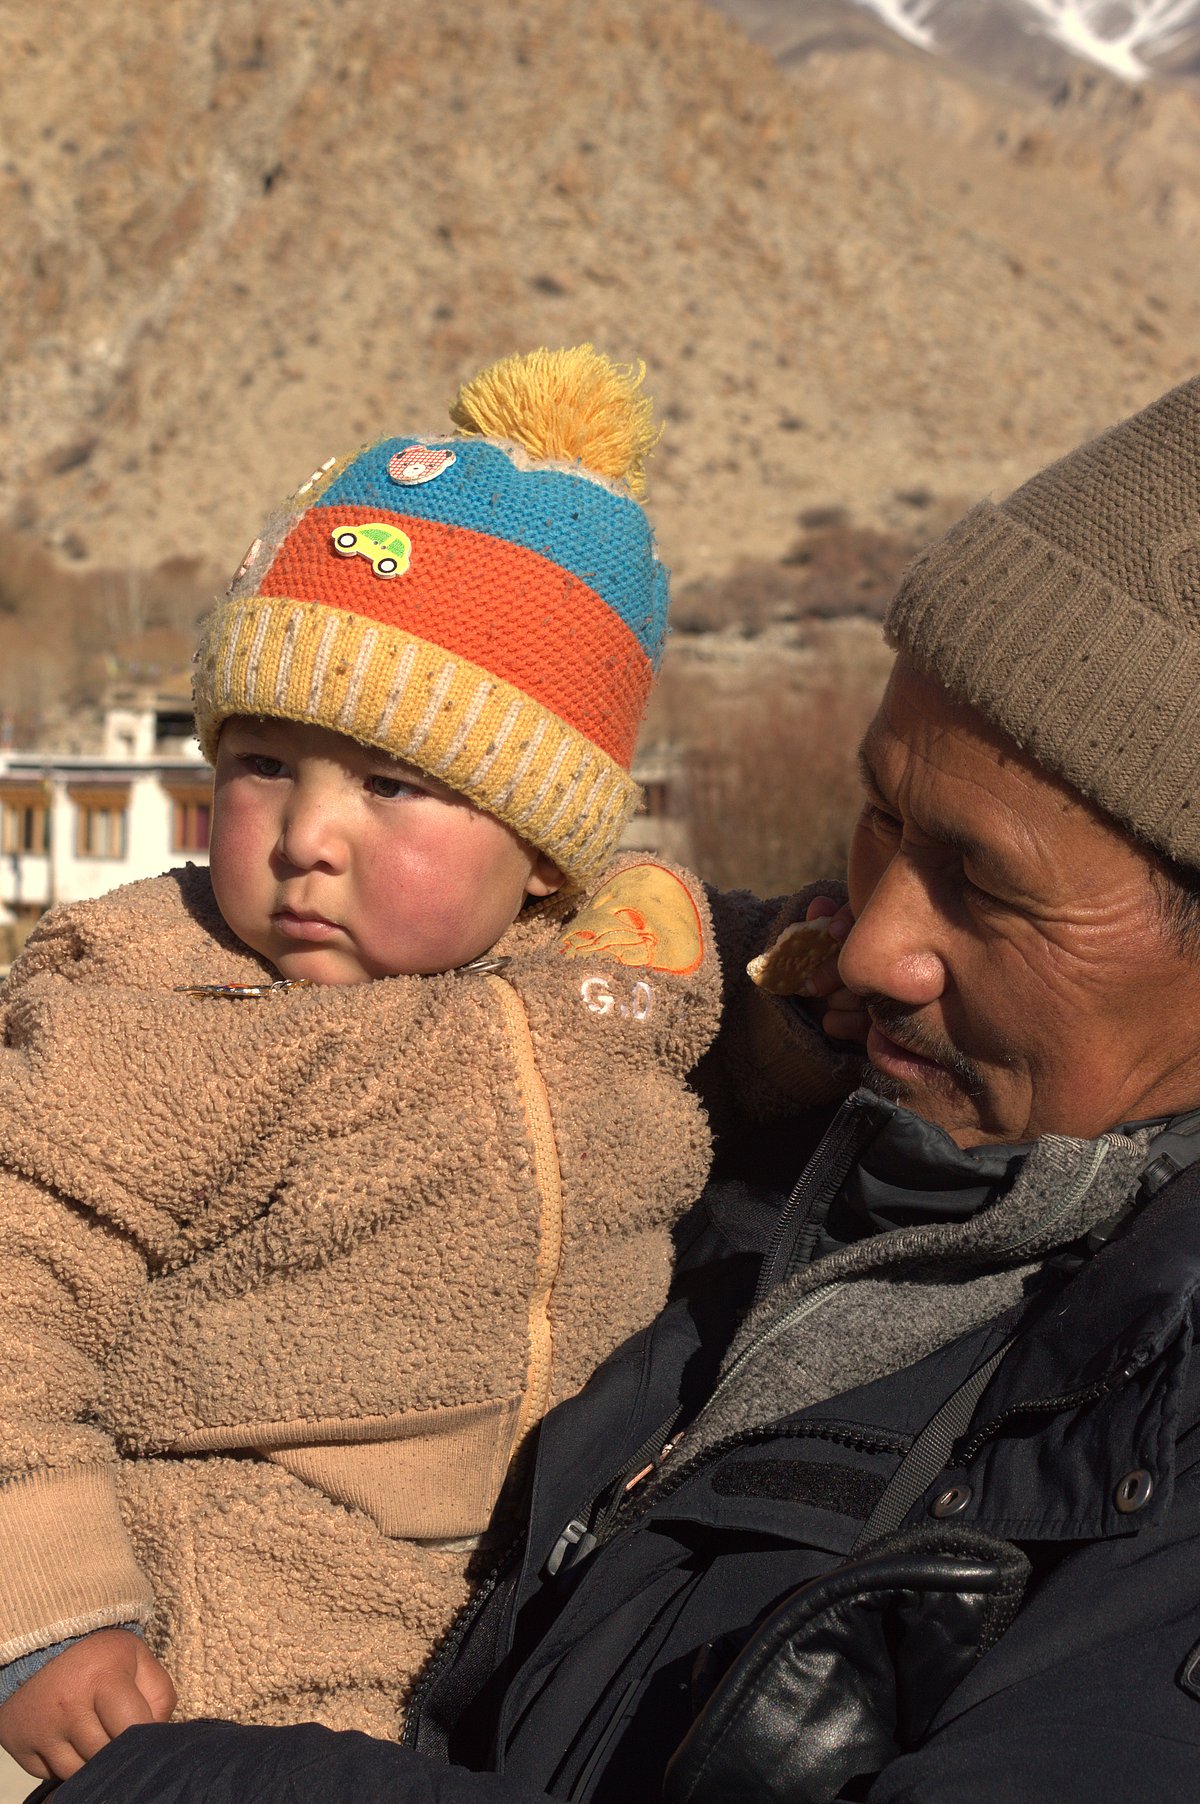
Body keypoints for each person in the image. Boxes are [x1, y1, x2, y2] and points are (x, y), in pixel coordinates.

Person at [45, 370, 1200, 1803]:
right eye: (879, 822)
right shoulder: (725, 1063)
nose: (882, 941)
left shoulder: (1162, 1421)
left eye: (984, 887)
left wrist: (178, 1785)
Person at [0, 346, 854, 1785]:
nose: (305, 835)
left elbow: (746, 1014)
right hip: (248, 1579)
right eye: (264, 764)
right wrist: (48, 1610)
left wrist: (807, 1006)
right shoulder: (153, 1010)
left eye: (394, 785)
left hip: (559, 1574)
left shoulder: (621, 957)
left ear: (541, 851)